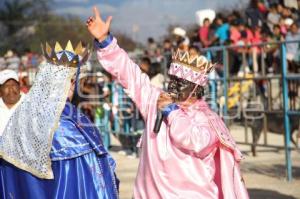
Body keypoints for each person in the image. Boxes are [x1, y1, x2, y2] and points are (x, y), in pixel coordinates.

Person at [87, 7, 249, 199]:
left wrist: (172, 113)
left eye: (181, 84)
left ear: (196, 90)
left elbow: (195, 140)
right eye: (172, 81)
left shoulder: (209, 119)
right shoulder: (154, 100)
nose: (173, 87)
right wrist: (106, 42)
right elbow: (130, 74)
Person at [0, 41, 119, 199]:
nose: (72, 86)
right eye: (71, 80)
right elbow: (92, 179)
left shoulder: (21, 118)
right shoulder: (67, 126)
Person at [0, 69, 25, 136]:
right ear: (0, 89)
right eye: (6, 86)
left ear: (19, 86)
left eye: (13, 85)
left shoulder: (30, 104)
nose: (11, 89)